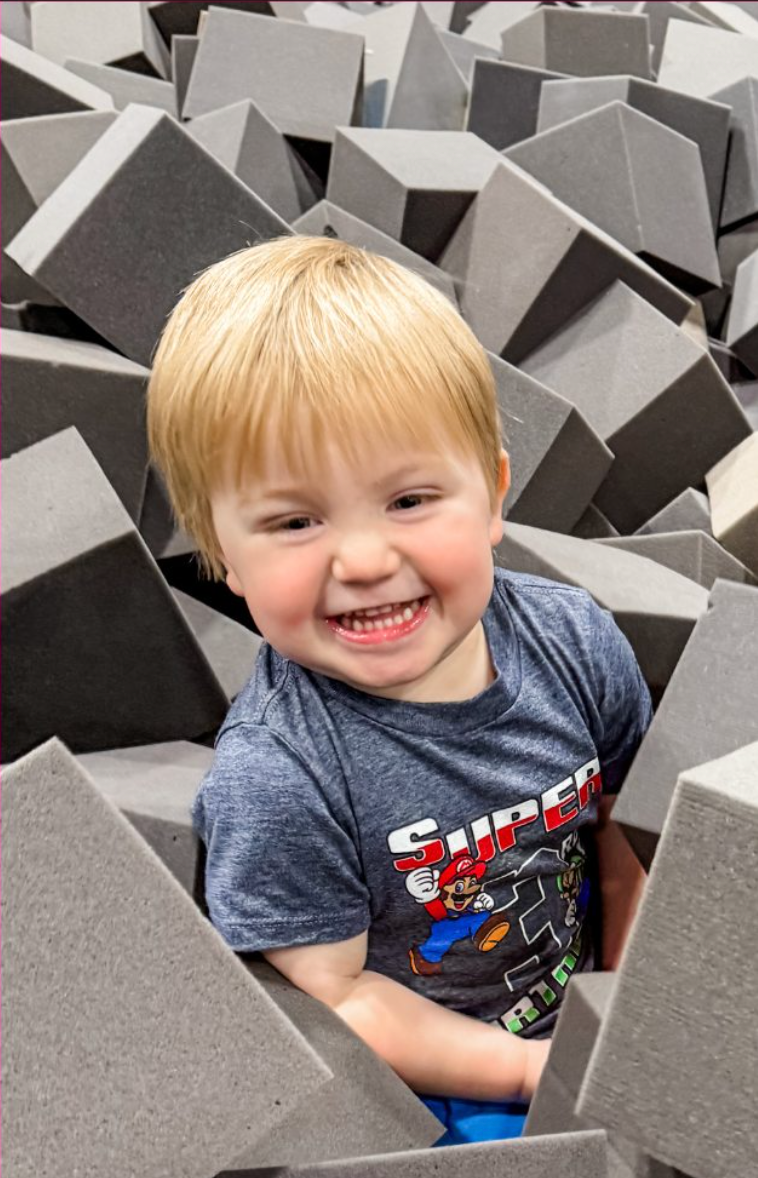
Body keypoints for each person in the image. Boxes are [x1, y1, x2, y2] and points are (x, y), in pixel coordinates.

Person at [147, 235, 651, 1144]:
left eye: (410, 500)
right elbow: (342, 995)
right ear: (221, 557)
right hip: (441, 1081)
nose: (368, 560)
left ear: (493, 493)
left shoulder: (573, 639)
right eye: (296, 520)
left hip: (582, 988)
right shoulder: (279, 779)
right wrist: (540, 1071)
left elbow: (625, 836)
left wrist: (630, 1001)